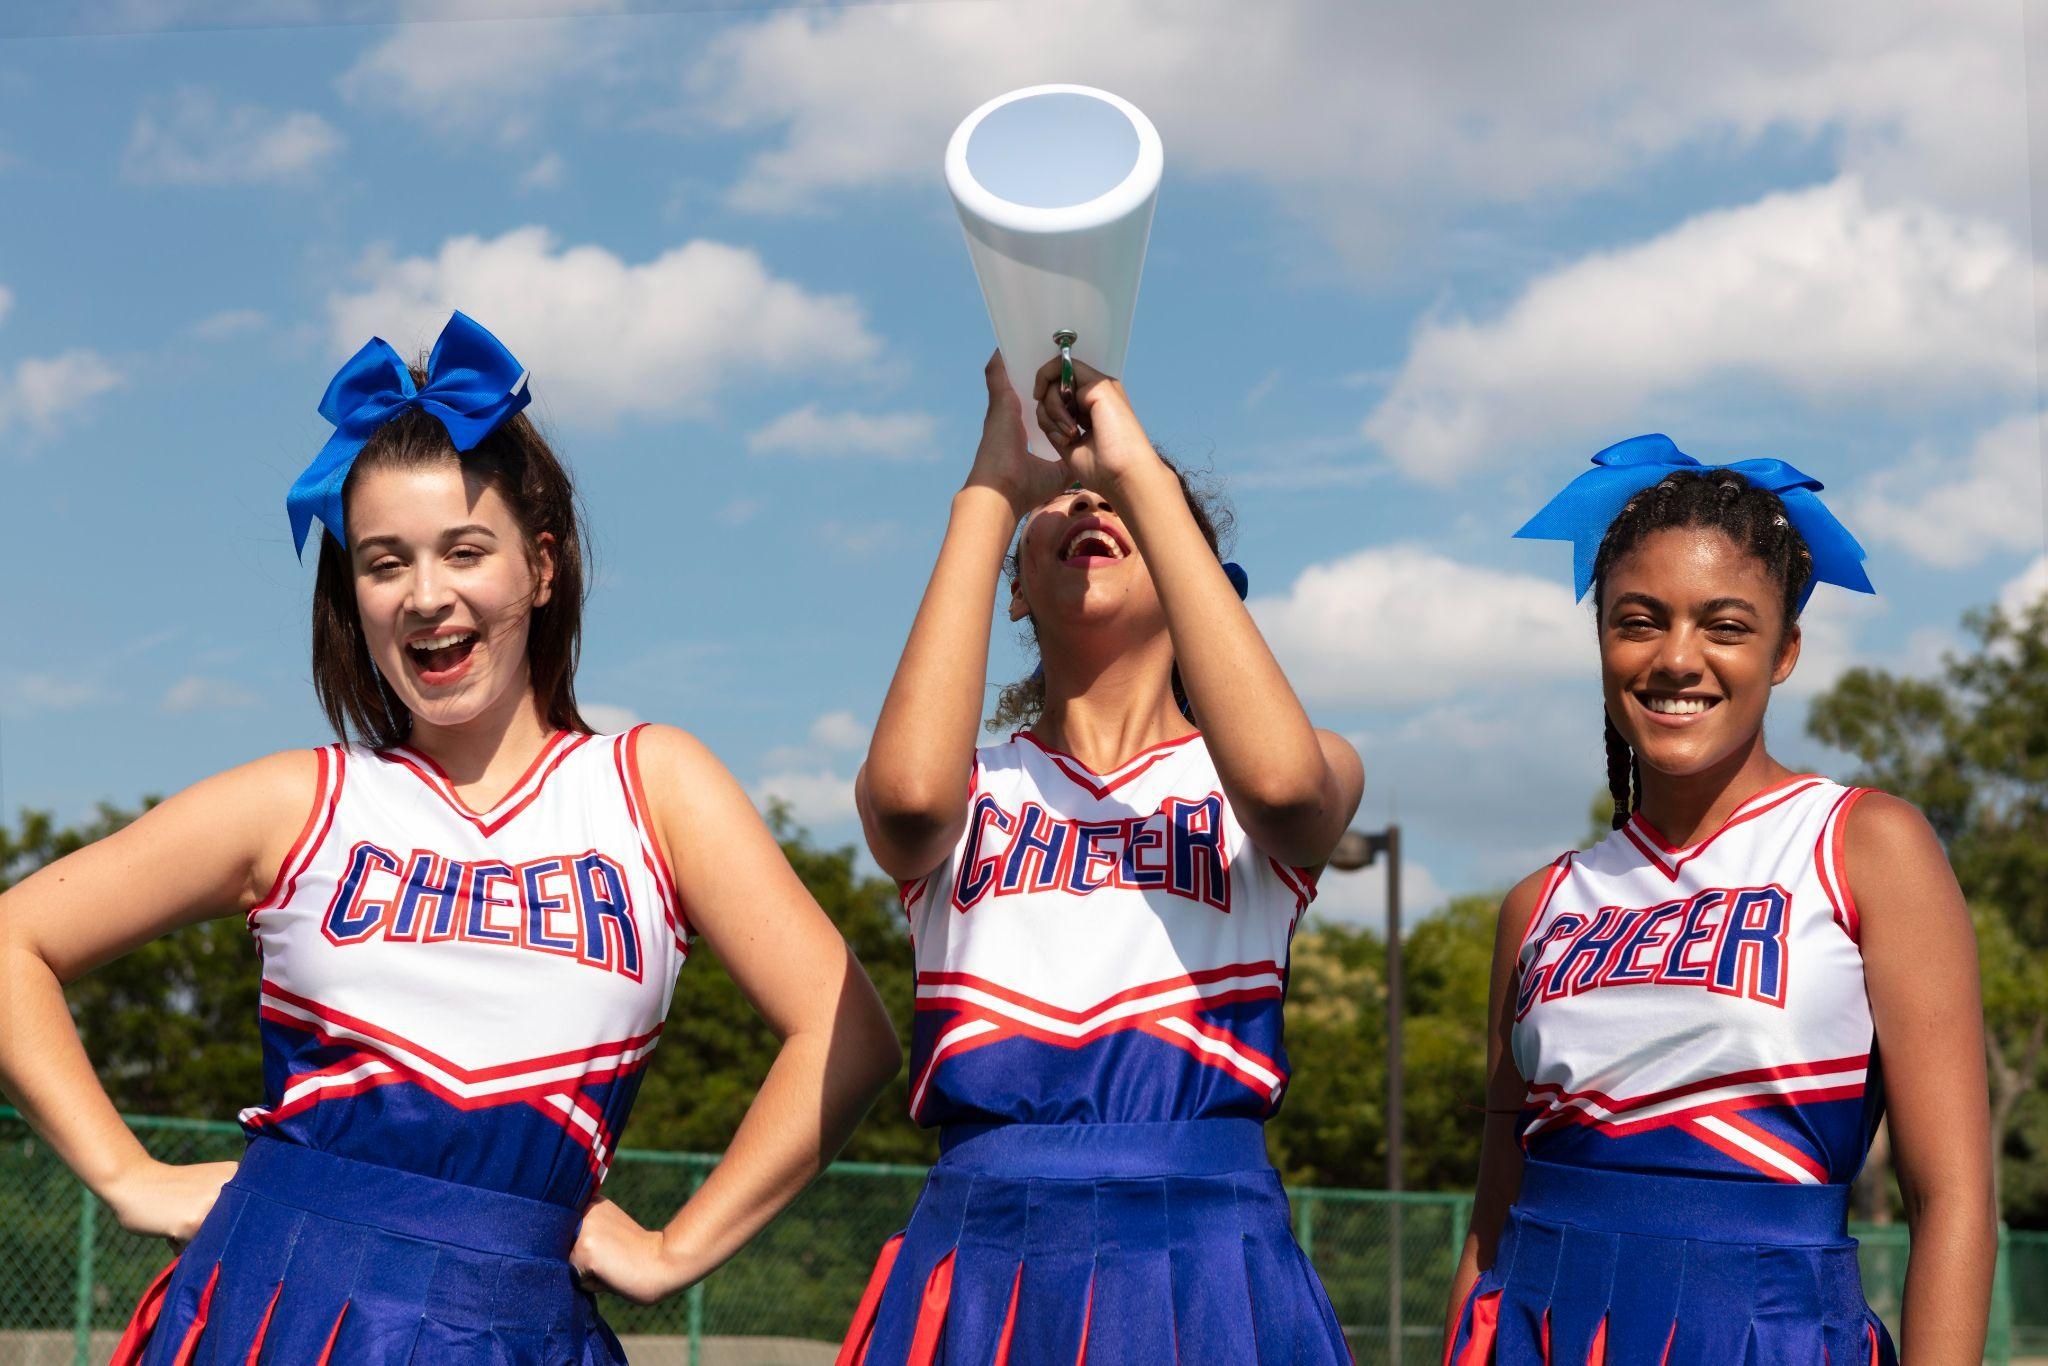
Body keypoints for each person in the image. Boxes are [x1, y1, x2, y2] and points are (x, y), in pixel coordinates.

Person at [0, 312, 901, 1363]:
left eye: (465, 551)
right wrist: (125, 1173)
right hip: (273, 1310)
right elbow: (17, 938)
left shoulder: (653, 786)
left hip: (518, 1322)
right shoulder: (301, 800)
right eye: (385, 563)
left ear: (543, 567)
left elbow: (846, 1033)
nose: (427, 596)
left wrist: (675, 1248)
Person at [836, 352, 1365, 1364]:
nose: (1090, 499)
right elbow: (902, 803)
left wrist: (1140, 476)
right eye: (1061, 502)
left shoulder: (1265, 784)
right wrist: (990, 490)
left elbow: (1291, 791)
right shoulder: (965, 785)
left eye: (1119, 498)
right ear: (1017, 596)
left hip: (1206, 1256)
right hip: (982, 1252)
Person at [1444, 435, 1997, 1365]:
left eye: (1726, 625)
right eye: (1639, 620)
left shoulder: (1865, 843)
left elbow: (1953, 1201)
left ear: (1785, 651)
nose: (1676, 658)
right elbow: (1492, 1220)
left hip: (1767, 1335)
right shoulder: (1540, 902)